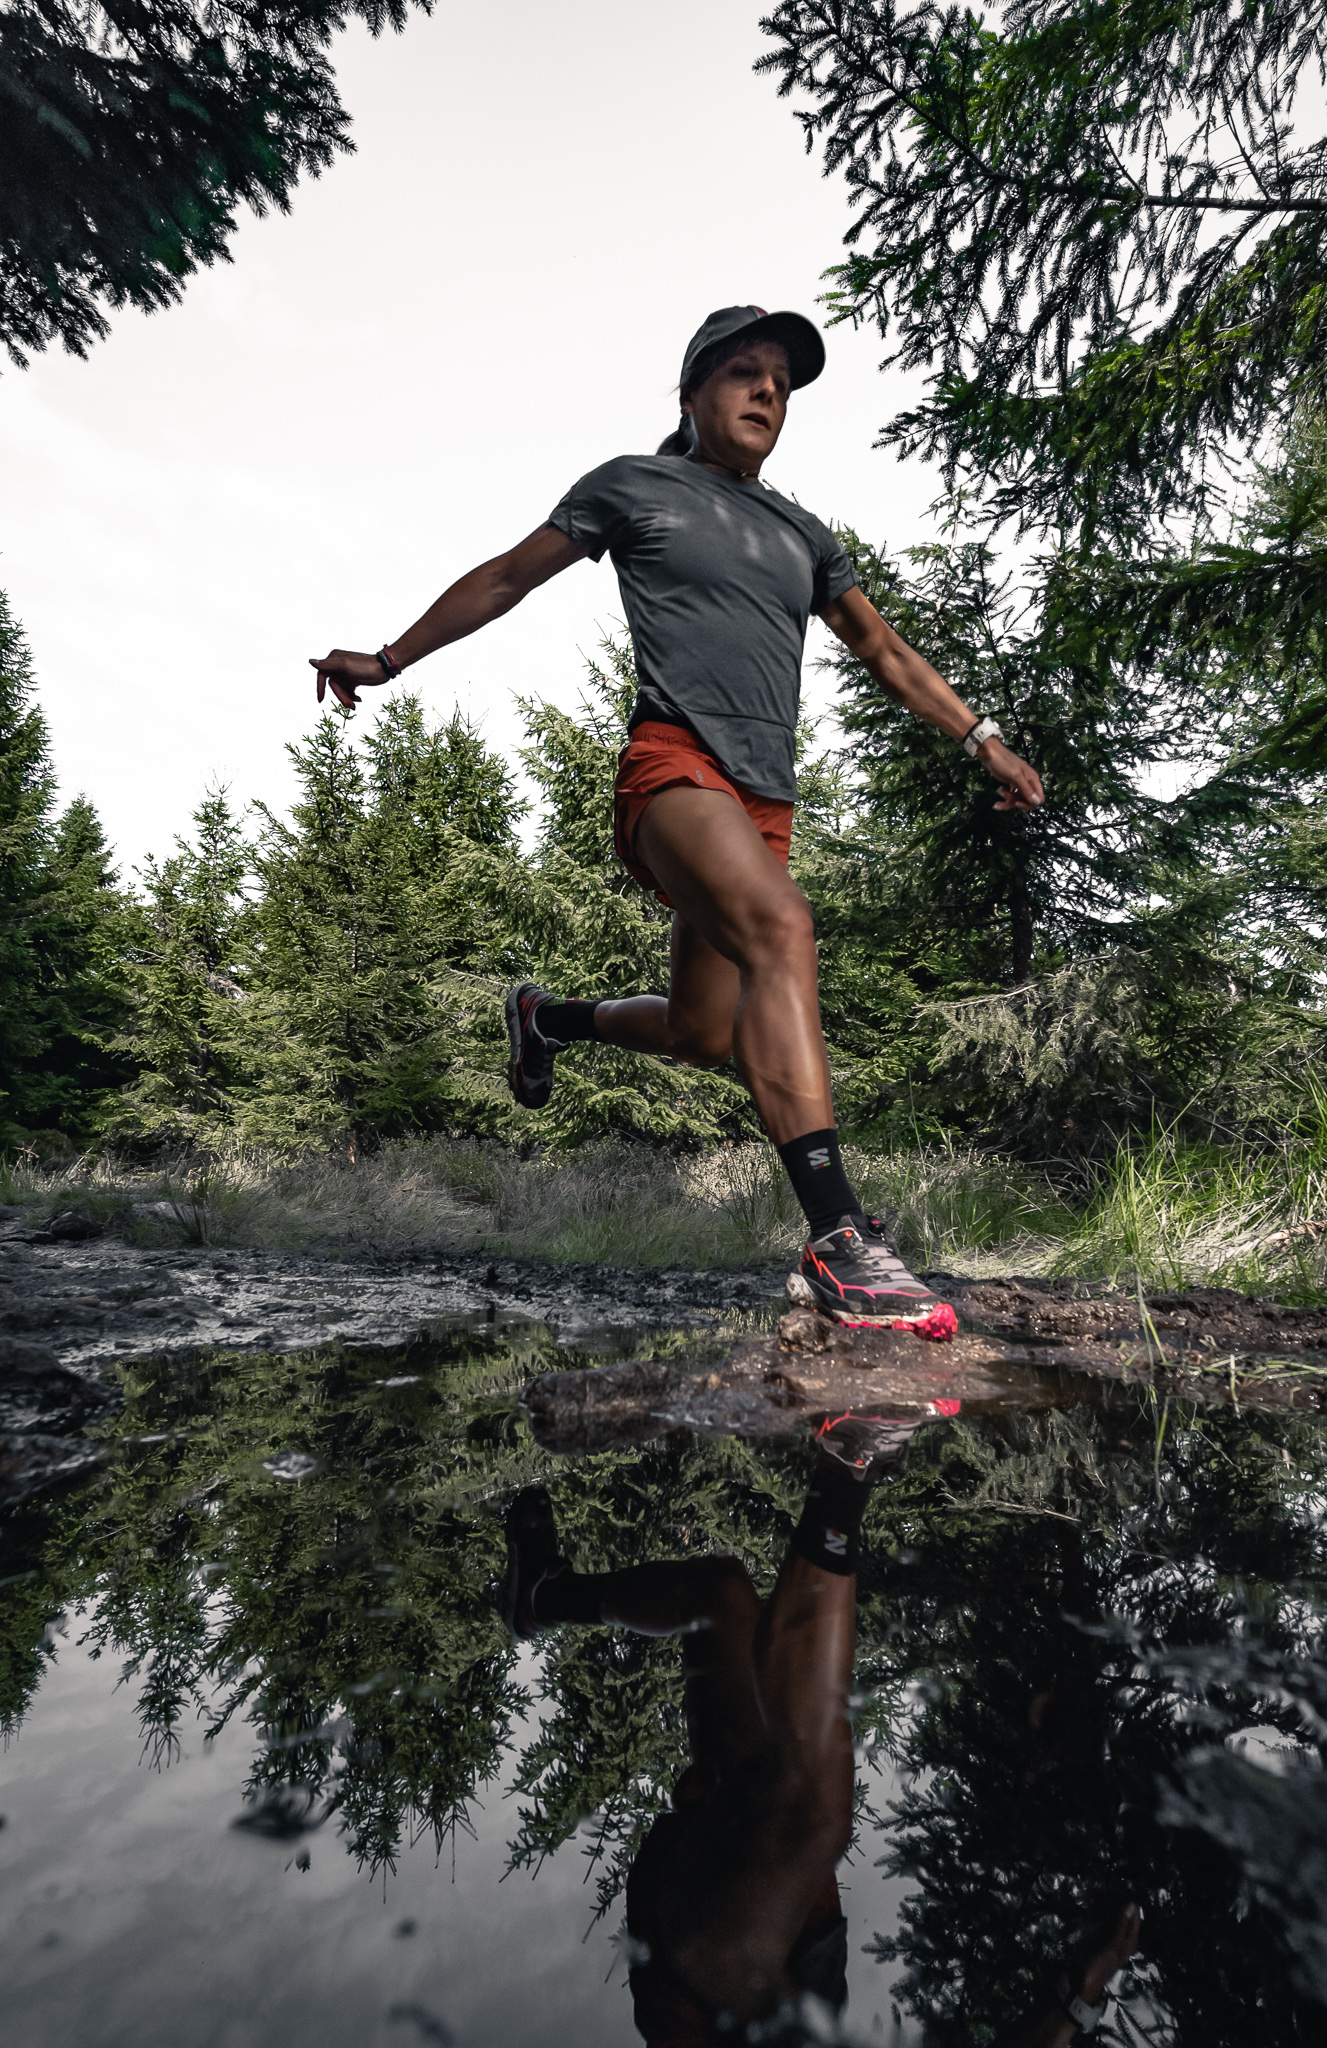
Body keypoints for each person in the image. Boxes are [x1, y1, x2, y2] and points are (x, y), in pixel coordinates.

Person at [311, 304, 1044, 1321]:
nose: (767, 392)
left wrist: (982, 738)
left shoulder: (803, 534)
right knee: (783, 925)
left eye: (781, 382)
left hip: (763, 800)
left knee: (704, 1033)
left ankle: (546, 1018)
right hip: (674, 766)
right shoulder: (633, 486)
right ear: (693, 391)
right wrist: (389, 658)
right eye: (745, 371)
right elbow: (509, 576)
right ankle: (840, 1237)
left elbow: (884, 651)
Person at [498, 1408, 1139, 2046]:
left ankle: (852, 1455)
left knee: (813, 1815)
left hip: (716, 1984)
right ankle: (542, 1597)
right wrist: (1082, 1991)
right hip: (767, 1927)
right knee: (716, 1599)